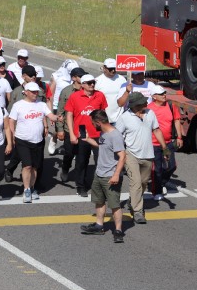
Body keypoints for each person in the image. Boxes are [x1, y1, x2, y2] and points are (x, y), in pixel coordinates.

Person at [115, 92, 171, 224]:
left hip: (148, 154)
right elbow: (117, 135)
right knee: (136, 182)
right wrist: (120, 153)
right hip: (131, 154)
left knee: (143, 182)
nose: (146, 103)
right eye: (143, 102)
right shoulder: (124, 118)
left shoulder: (150, 113)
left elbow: (156, 130)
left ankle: (132, 200)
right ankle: (138, 211)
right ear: (135, 105)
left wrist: (165, 148)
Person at [79, 110, 128, 243]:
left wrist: (116, 174)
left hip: (110, 176)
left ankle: (118, 230)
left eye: (93, 123)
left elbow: (122, 156)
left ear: (99, 122)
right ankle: (99, 226)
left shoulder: (115, 135)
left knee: (115, 205)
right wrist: (89, 139)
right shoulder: (104, 133)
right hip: (99, 173)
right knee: (99, 201)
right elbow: (102, 147)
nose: (92, 125)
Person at [9, 82, 59, 203]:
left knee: (35, 167)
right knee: (27, 165)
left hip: (38, 140)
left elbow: (51, 116)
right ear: (25, 92)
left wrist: (59, 117)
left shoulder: (41, 105)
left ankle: (32, 188)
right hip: (22, 140)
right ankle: (26, 189)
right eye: (33, 92)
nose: (35, 94)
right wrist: (13, 136)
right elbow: (11, 121)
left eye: (37, 92)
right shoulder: (18, 105)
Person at [65, 73, 108, 197]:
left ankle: (100, 186)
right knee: (81, 161)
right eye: (89, 83)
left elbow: (103, 114)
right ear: (82, 85)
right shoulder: (74, 96)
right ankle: (81, 186)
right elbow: (69, 115)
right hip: (82, 132)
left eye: (93, 82)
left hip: (98, 133)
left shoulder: (100, 95)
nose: (92, 85)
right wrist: (72, 134)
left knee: (101, 161)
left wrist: (106, 131)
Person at [148, 85, 182, 200]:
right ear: (154, 96)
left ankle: (161, 182)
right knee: (157, 169)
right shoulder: (149, 109)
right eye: (161, 94)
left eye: (164, 93)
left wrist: (179, 137)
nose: (164, 95)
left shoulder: (171, 106)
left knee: (172, 166)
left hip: (168, 143)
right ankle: (156, 191)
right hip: (154, 143)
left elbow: (177, 120)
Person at [55, 67, 86, 182]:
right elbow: (60, 111)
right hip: (69, 129)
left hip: (83, 128)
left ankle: (80, 178)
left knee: (82, 155)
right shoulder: (66, 91)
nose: (82, 78)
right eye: (80, 76)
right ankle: (65, 169)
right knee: (69, 153)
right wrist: (60, 129)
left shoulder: (86, 90)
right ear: (73, 78)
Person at [95, 58, 127, 124]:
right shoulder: (97, 81)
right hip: (104, 119)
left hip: (119, 119)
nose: (113, 71)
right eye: (110, 69)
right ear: (104, 68)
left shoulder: (122, 79)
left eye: (114, 68)